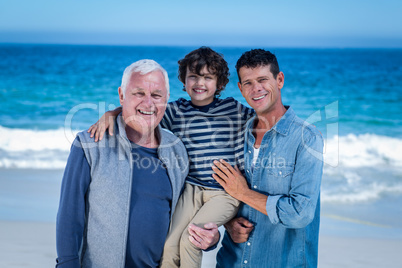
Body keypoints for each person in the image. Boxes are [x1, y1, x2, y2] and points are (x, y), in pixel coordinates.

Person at [88, 47, 255, 268]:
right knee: (167, 246)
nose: (199, 83)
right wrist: (112, 113)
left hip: (225, 192)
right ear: (184, 82)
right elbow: (144, 110)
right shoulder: (175, 111)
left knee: (190, 240)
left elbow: (265, 118)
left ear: (220, 83)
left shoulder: (233, 109)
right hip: (191, 188)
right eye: (193, 76)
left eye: (207, 77)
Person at [56, 59, 218, 268]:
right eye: (138, 93)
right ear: (122, 95)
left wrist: (210, 240)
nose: (148, 103)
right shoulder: (89, 145)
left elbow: (189, 213)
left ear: (166, 99)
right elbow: (70, 216)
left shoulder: (177, 150)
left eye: (156, 95)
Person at [212, 49, 324, 267]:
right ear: (240, 88)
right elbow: (218, 193)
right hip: (231, 261)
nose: (256, 89)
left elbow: (300, 214)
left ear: (279, 80)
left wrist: (244, 193)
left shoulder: (307, 138)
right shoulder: (236, 135)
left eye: (263, 79)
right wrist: (227, 222)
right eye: (248, 83)